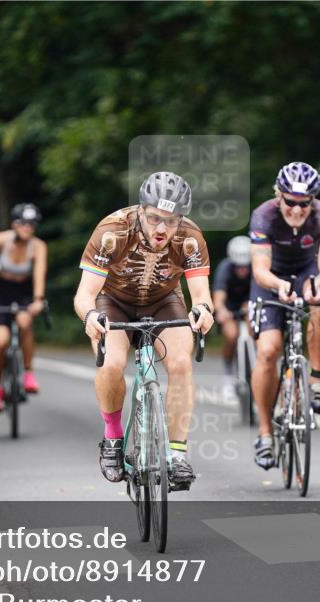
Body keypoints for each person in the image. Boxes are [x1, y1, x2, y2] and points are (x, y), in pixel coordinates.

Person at [73, 172, 214, 490]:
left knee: (180, 363)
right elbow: (84, 294)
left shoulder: (190, 237)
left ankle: (177, 454)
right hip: (114, 301)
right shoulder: (112, 231)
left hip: (164, 300)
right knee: (112, 364)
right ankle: (112, 438)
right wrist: (91, 315)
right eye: (154, 219)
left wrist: (203, 310)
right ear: (140, 210)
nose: (162, 229)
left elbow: (201, 295)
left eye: (171, 220)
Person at [248, 161, 320, 470]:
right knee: (268, 350)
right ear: (278, 195)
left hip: (306, 271)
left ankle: (316, 380)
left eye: (304, 204)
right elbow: (260, 269)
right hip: (271, 278)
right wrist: (278, 285)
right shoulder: (264, 215)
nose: (297, 210)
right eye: (290, 202)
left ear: (313, 201)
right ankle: (264, 433)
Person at [0, 203, 48, 413]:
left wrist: (38, 299)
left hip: (23, 292)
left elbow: (39, 274)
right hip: (0, 292)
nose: (28, 228)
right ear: (15, 225)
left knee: (25, 321)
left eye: (32, 224)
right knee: (0, 341)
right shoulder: (3, 240)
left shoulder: (37, 246)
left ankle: (28, 372)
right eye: (24, 224)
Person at [212, 236, 253, 395]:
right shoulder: (225, 268)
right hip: (229, 308)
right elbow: (219, 296)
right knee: (231, 335)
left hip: (249, 305)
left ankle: (255, 366)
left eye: (246, 266)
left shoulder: (256, 267)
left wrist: (250, 304)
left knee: (255, 331)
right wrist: (221, 310)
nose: (243, 270)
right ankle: (229, 374)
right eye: (239, 266)